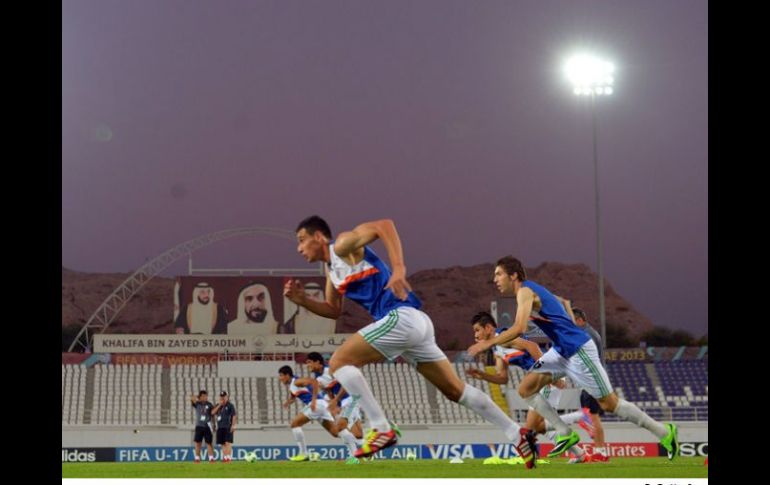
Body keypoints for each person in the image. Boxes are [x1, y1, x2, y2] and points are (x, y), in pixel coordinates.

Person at [284, 216, 538, 467]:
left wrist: (399, 268)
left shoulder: (341, 245)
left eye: (302, 240)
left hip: (400, 318)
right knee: (454, 391)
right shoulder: (332, 274)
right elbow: (333, 309)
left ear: (319, 237)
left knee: (339, 362)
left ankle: (381, 427)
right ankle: (517, 433)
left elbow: (384, 226)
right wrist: (302, 300)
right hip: (415, 324)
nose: (299, 248)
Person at [467, 256, 679, 460]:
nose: (495, 279)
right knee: (526, 389)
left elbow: (519, 327)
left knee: (609, 404)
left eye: (499, 274)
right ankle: (565, 432)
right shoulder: (531, 290)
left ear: (513, 275)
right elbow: (560, 300)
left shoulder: (524, 291)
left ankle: (664, 432)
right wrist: (565, 315)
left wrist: (487, 343)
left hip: (578, 350)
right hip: (560, 351)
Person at [467, 311, 589, 463]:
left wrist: (548, 370)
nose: (475, 336)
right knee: (538, 425)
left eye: (477, 330)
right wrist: (482, 375)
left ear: (489, 328)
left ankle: (524, 456)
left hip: (546, 375)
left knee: (531, 426)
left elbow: (532, 345)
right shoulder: (497, 350)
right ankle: (579, 453)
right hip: (540, 379)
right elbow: (502, 378)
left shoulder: (503, 338)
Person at [559, 307, 609, 462]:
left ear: (580, 320)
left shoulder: (587, 335)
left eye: (572, 322)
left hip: (591, 381)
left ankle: (599, 451)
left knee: (591, 417)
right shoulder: (591, 333)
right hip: (590, 380)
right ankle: (600, 451)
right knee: (592, 417)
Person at [305, 352, 366, 464]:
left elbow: (346, 384)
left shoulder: (330, 371)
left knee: (340, 427)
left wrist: (336, 400)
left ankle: (354, 457)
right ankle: (365, 452)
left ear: (317, 362)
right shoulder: (318, 378)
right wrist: (335, 404)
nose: (307, 365)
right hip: (343, 401)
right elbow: (329, 390)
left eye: (309, 362)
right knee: (357, 434)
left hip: (351, 397)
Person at [278, 365, 345, 462]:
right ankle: (362, 444)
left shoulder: (297, 381)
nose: (280, 378)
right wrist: (288, 402)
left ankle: (303, 453)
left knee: (294, 424)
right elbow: (294, 396)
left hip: (316, 405)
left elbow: (314, 382)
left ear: (287, 375)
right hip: (322, 406)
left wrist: (313, 401)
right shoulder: (293, 385)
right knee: (335, 433)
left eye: (281, 375)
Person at [190, 390, 216, 463]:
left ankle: (211, 458)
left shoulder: (210, 404)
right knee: (198, 443)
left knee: (209, 443)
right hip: (199, 425)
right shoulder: (197, 404)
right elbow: (192, 398)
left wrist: (214, 425)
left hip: (207, 425)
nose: (205, 397)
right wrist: (197, 397)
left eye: (206, 396)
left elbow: (212, 415)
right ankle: (197, 458)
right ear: (200, 397)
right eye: (203, 396)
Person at [211, 391, 237, 463]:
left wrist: (233, 425)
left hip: (228, 426)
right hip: (220, 427)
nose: (222, 398)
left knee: (227, 442)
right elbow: (212, 412)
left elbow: (234, 416)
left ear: (227, 397)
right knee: (222, 443)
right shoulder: (218, 405)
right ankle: (225, 458)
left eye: (224, 397)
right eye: (221, 397)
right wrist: (219, 405)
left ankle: (228, 458)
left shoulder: (230, 405)